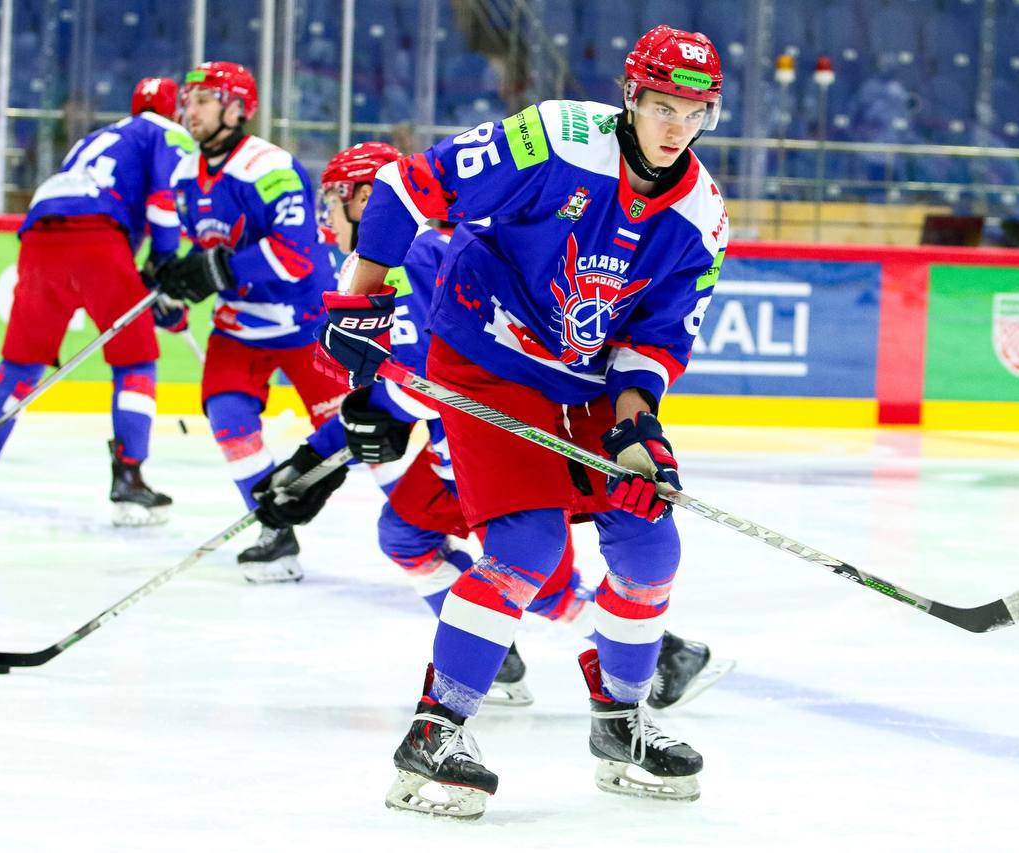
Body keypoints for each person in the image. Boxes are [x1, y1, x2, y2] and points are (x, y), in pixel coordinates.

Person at [314, 25, 729, 818]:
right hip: (489, 357)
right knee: (526, 545)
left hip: (590, 381)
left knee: (650, 537)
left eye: (695, 113)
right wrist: (363, 294)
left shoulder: (702, 216)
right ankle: (435, 732)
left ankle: (621, 724)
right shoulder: (555, 139)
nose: (677, 127)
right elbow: (408, 186)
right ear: (631, 97)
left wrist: (638, 432)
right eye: (663, 106)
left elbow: (656, 340)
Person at [257, 141, 730, 709]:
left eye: (332, 202)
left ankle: (650, 655)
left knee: (527, 567)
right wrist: (316, 458)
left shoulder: (415, 257)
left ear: (361, 199)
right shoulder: (379, 266)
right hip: (458, 448)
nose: (325, 219)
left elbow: (427, 382)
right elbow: (394, 396)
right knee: (411, 533)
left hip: (490, 442)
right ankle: (513, 656)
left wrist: (358, 432)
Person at [153, 61, 346, 582]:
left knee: (358, 440)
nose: (189, 110)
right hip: (238, 328)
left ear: (237, 109)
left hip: (308, 323)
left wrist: (215, 270)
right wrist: (175, 289)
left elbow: (295, 255)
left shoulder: (270, 166)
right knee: (229, 421)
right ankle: (274, 534)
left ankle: (432, 529)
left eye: (203, 100)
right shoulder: (184, 174)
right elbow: (206, 250)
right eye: (188, 100)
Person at [0, 77, 192, 525]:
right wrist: (163, 265)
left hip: (39, 235)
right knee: (135, 360)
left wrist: (144, 282)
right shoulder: (168, 133)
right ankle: (129, 477)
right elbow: (163, 204)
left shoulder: (97, 137)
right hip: (97, 238)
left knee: (20, 365)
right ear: (177, 110)